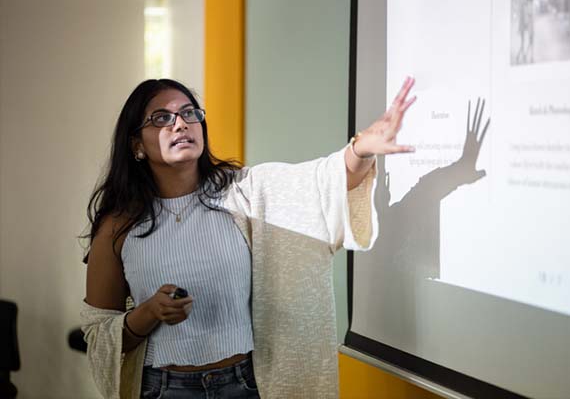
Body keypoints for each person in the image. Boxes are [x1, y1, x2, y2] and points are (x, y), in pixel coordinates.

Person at [81, 76, 416, 399]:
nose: (180, 124)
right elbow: (100, 334)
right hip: (163, 388)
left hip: (244, 384)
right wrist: (150, 312)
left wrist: (361, 149)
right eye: (161, 118)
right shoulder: (119, 226)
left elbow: (322, 182)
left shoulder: (246, 193)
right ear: (137, 145)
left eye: (188, 113)